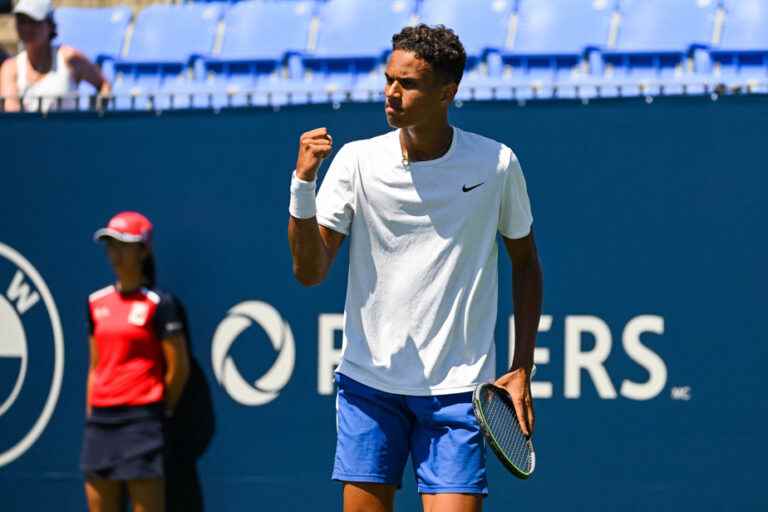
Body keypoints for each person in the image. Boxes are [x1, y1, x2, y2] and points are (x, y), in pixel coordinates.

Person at [287, 24, 543, 512]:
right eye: (388, 80)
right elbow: (309, 271)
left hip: (459, 393)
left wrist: (521, 367)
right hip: (369, 386)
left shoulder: (497, 164)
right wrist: (303, 185)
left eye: (408, 84)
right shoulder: (357, 161)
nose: (391, 93)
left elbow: (526, 263)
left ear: (448, 92)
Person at [82, 211, 190, 512]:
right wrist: (92, 410)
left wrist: (158, 409)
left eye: (123, 245)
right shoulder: (96, 302)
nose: (114, 254)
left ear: (143, 250)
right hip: (100, 424)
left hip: (141, 424)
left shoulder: (160, 305)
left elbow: (178, 368)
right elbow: (95, 365)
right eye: (110, 245)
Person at [0, 0, 111, 112]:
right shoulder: (10, 68)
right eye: (21, 21)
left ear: (50, 25)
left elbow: (104, 84)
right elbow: (12, 113)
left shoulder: (70, 58)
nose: (27, 27)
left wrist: (96, 117)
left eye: (34, 21)